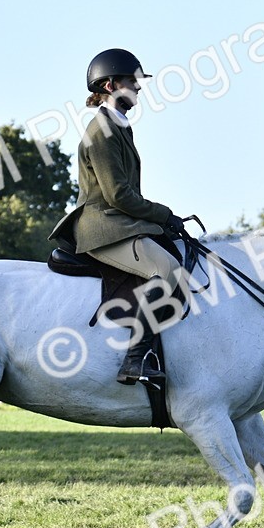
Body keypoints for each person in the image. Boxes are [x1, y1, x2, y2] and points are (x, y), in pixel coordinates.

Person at [49, 49, 186, 385]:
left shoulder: (119, 127)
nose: (138, 87)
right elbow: (118, 195)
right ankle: (134, 360)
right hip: (102, 227)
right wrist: (163, 215)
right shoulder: (101, 131)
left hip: (121, 223)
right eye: (132, 81)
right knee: (167, 270)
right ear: (110, 85)